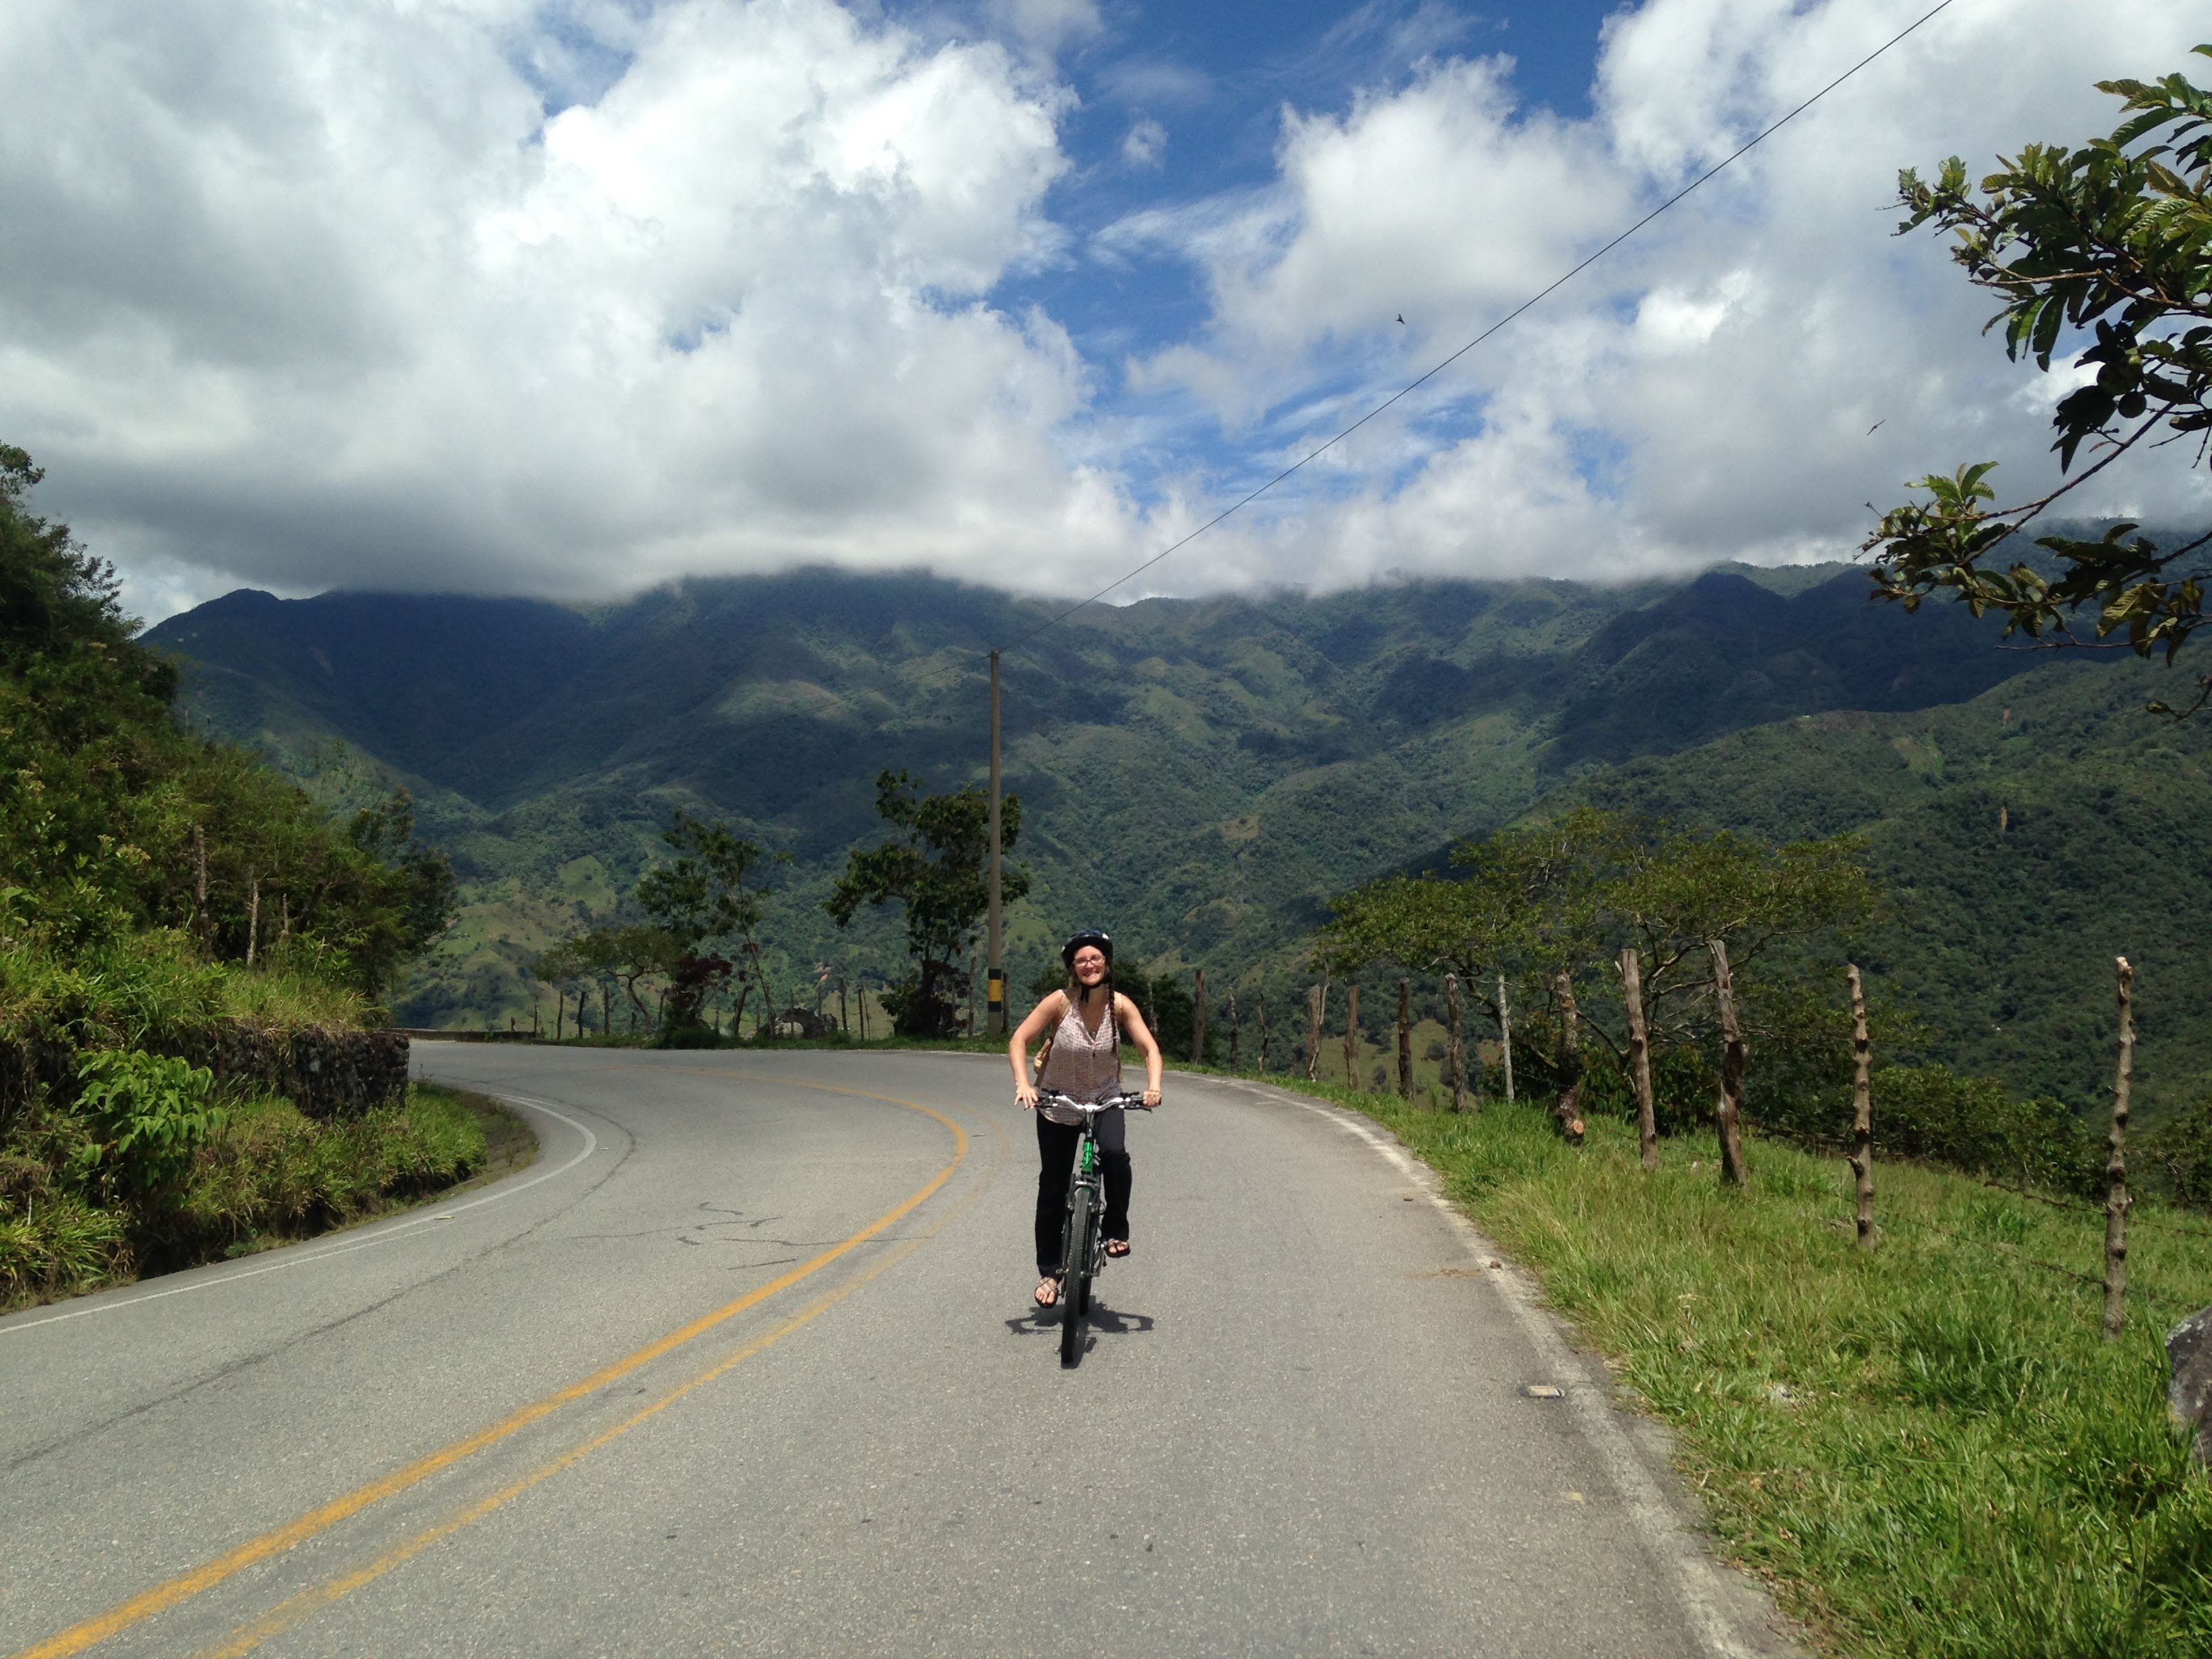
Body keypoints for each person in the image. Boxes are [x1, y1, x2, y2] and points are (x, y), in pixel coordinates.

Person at [1008, 929, 1163, 1308]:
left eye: (1095, 959)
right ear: (1073, 968)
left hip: (1105, 1098)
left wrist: (1154, 1087)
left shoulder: (1120, 1006)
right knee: (1052, 1185)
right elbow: (1018, 1040)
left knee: (1115, 1156)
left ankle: (1115, 1229)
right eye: (1081, 961)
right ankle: (1050, 1271)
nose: (1089, 965)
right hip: (1059, 1102)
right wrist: (1024, 1084)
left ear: (1106, 963)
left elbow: (1149, 1048)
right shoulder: (1059, 1002)